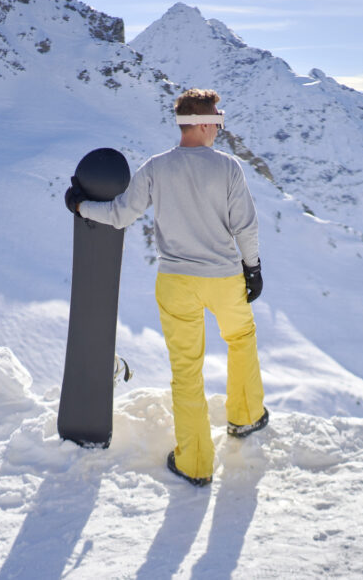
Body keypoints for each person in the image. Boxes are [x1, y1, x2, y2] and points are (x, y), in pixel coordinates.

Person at [65, 88, 268, 487]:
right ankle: (244, 418)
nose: (219, 129)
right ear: (205, 123)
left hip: (176, 282)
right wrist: (253, 268)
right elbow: (245, 226)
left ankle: (194, 463)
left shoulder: (157, 167)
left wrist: (80, 206)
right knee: (241, 337)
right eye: (218, 121)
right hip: (224, 278)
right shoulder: (228, 168)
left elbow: (121, 215)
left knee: (186, 370)